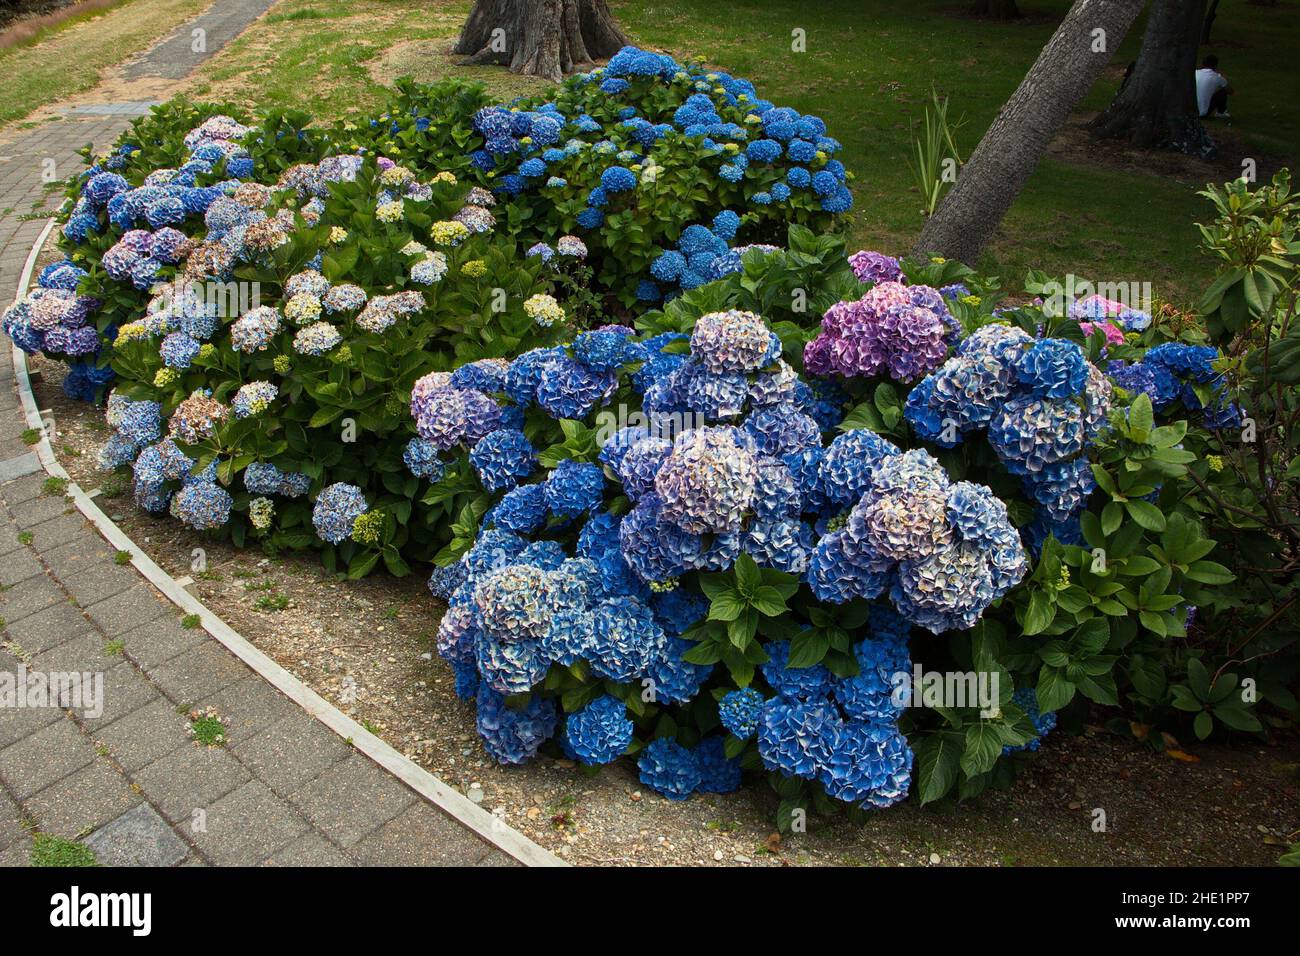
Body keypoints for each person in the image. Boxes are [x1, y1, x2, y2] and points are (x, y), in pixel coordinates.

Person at [1195, 54, 1233, 119]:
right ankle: (1221, 113)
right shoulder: (1217, 77)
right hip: (1203, 113)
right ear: (1215, 65)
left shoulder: (1195, 73)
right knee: (1222, 92)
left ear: (1202, 64)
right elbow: (1231, 91)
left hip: (1190, 111)